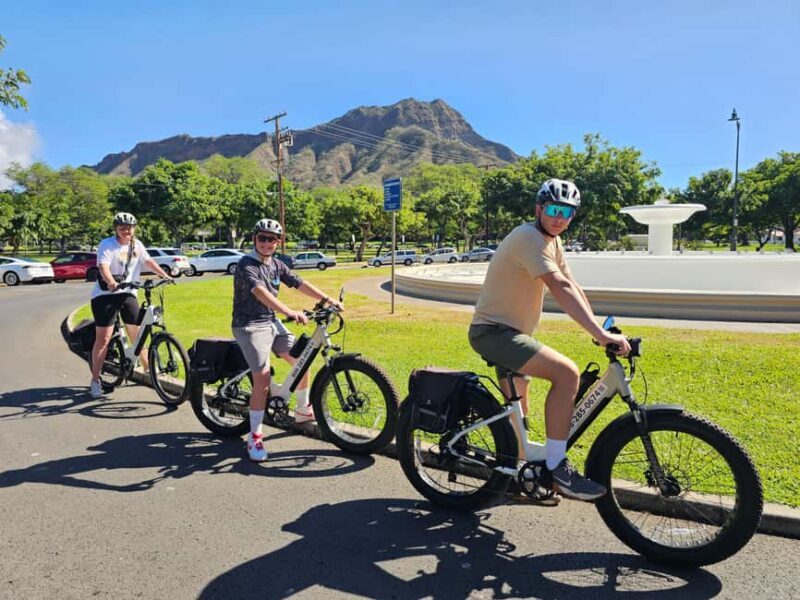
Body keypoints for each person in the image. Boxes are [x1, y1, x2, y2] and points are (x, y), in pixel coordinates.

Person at [468, 178, 631, 501]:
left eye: (566, 212)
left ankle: (521, 477)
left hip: (512, 334)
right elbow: (559, 286)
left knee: (519, 412)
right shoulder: (528, 237)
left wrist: (600, 328)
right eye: (554, 209)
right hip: (493, 333)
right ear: (539, 209)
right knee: (566, 373)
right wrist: (599, 335)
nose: (559, 218)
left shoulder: (552, 242)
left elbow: (572, 284)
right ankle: (557, 467)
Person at [232, 218, 344, 462]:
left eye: (271, 239)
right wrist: (289, 312)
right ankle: (254, 436)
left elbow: (299, 283)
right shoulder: (246, 264)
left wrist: (328, 300)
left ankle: (303, 409)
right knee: (262, 377)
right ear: (254, 239)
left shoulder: (276, 264)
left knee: (303, 359)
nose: (266, 243)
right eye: (262, 238)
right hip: (249, 325)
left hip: (271, 321)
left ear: (278, 242)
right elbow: (260, 293)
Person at [89, 212, 172, 399]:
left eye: (129, 228)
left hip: (128, 293)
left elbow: (148, 261)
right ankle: (95, 381)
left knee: (138, 333)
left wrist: (164, 275)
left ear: (134, 229)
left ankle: (149, 371)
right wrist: (111, 282)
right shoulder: (107, 244)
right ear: (116, 229)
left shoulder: (137, 245)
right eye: (122, 228)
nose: (126, 231)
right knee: (104, 339)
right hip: (105, 296)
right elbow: (103, 266)